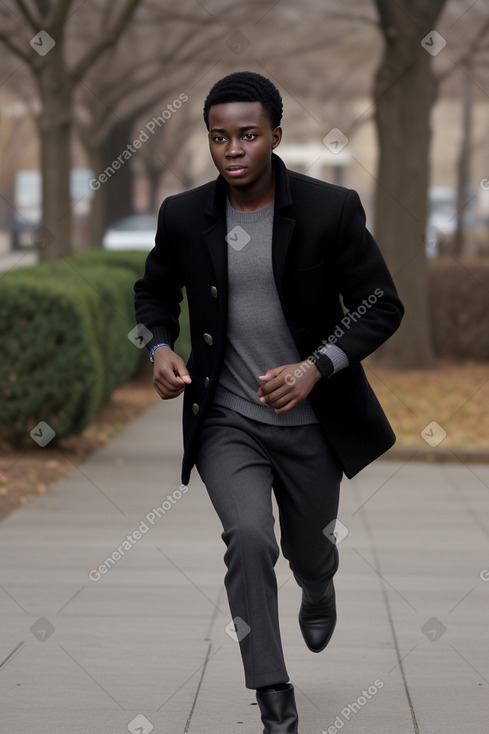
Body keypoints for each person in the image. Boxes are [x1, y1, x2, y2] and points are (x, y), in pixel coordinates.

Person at [134, 70, 404, 734]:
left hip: (314, 424)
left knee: (308, 550)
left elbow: (380, 306)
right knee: (249, 538)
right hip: (227, 418)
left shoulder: (328, 208)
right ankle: (273, 698)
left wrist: (316, 368)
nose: (232, 150)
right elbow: (153, 297)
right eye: (219, 137)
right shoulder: (182, 214)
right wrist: (158, 349)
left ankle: (317, 584)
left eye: (247, 136)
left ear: (275, 137)